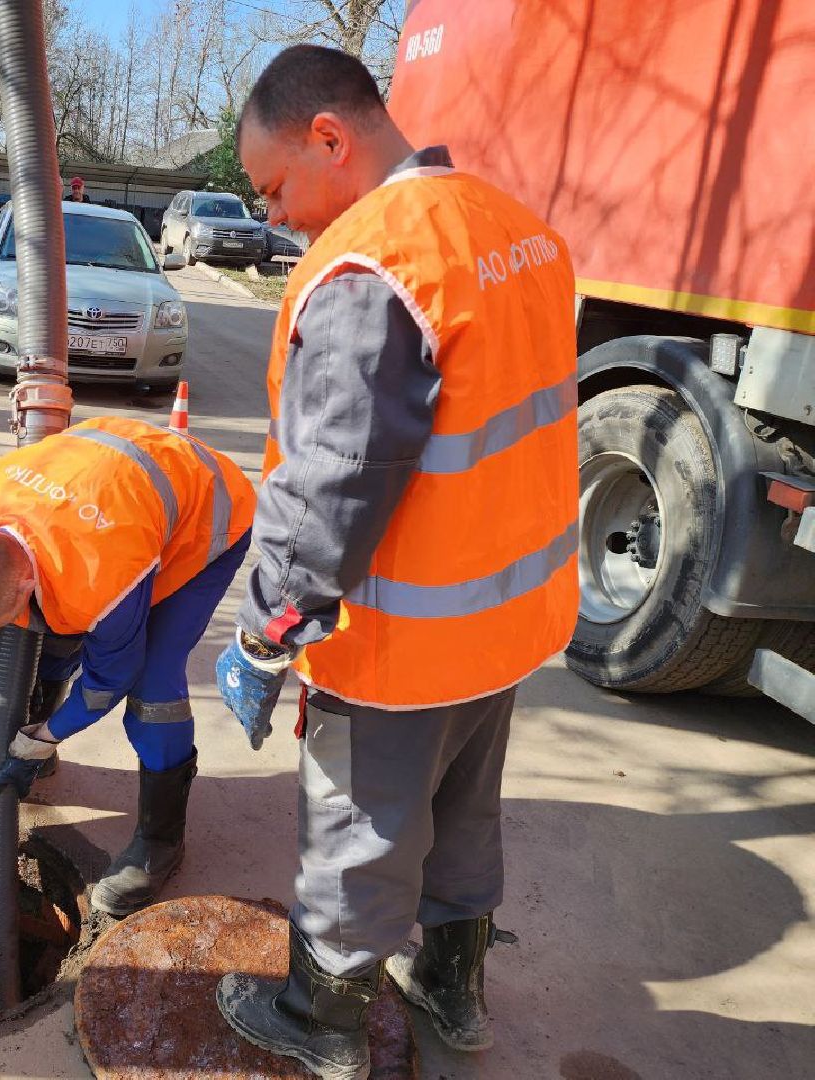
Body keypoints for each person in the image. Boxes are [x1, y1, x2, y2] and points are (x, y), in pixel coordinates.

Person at [212, 45, 578, 1079]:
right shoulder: (516, 230)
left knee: (357, 827)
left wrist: (267, 628)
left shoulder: (374, 267)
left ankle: (321, 1021)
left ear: (330, 137)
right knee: (463, 810)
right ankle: (453, 993)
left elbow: (332, 482)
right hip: (510, 620)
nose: (274, 214)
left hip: (403, 639)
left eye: (275, 185)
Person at [0, 416, 254, 917]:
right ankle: (37, 750)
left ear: (20, 584)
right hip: (115, 477)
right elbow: (14, 612)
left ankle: (161, 840)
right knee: (50, 624)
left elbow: (107, 683)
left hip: (207, 508)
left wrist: (42, 737)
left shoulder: (98, 581)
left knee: (152, 687)